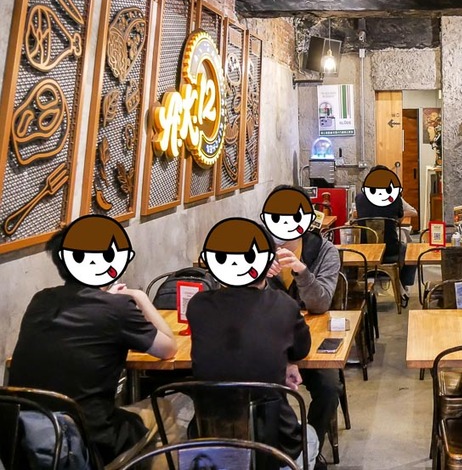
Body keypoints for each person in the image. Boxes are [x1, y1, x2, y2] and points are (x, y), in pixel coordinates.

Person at [9, 216, 177, 464]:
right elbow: (168, 348)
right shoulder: (117, 309)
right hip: (86, 440)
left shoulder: (40, 300)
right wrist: (139, 297)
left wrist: (109, 299)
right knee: (164, 412)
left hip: (25, 437)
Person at [188, 217, 319, 469]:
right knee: (310, 436)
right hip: (274, 444)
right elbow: (301, 349)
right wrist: (286, 362)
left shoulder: (198, 305)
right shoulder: (283, 304)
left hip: (210, 442)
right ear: (269, 262)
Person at [261, 185, 341, 465]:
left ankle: (309, 450)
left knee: (330, 388)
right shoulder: (255, 250)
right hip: (266, 342)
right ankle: (272, 448)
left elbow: (321, 303)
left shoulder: (324, 252)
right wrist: (257, 277)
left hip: (310, 341)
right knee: (251, 385)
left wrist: (302, 271)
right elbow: (241, 302)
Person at [354, 165, 417, 301]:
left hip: (364, 250)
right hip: (390, 250)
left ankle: (356, 287)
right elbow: (400, 218)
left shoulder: (359, 198)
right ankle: (403, 285)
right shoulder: (394, 197)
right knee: (411, 250)